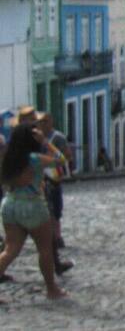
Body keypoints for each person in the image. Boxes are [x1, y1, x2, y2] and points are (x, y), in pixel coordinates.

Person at [0, 124, 68, 299]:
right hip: (32, 206)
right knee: (44, 249)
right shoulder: (34, 159)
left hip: (10, 204)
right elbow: (61, 159)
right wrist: (45, 141)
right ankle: (52, 289)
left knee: (10, 250)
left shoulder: (7, 158)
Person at [37, 113, 73, 275]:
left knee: (55, 212)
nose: (42, 124)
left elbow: (66, 156)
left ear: (51, 121)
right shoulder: (34, 147)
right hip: (38, 189)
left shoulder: (57, 137)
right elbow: (60, 158)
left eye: (45, 121)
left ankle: (57, 241)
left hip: (51, 180)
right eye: (40, 121)